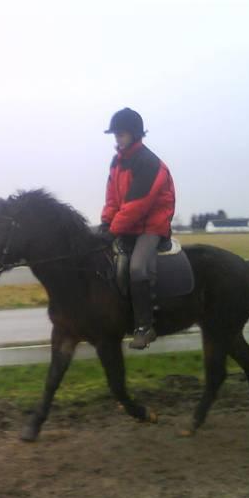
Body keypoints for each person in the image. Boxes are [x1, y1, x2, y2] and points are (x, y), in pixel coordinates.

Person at [99, 108, 175, 349]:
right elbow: (113, 199)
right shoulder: (118, 162)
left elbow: (137, 205)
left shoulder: (149, 163)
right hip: (128, 225)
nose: (117, 139)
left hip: (151, 226)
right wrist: (104, 223)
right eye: (116, 135)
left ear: (134, 134)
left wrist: (114, 229)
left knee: (137, 268)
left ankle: (145, 326)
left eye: (121, 134)